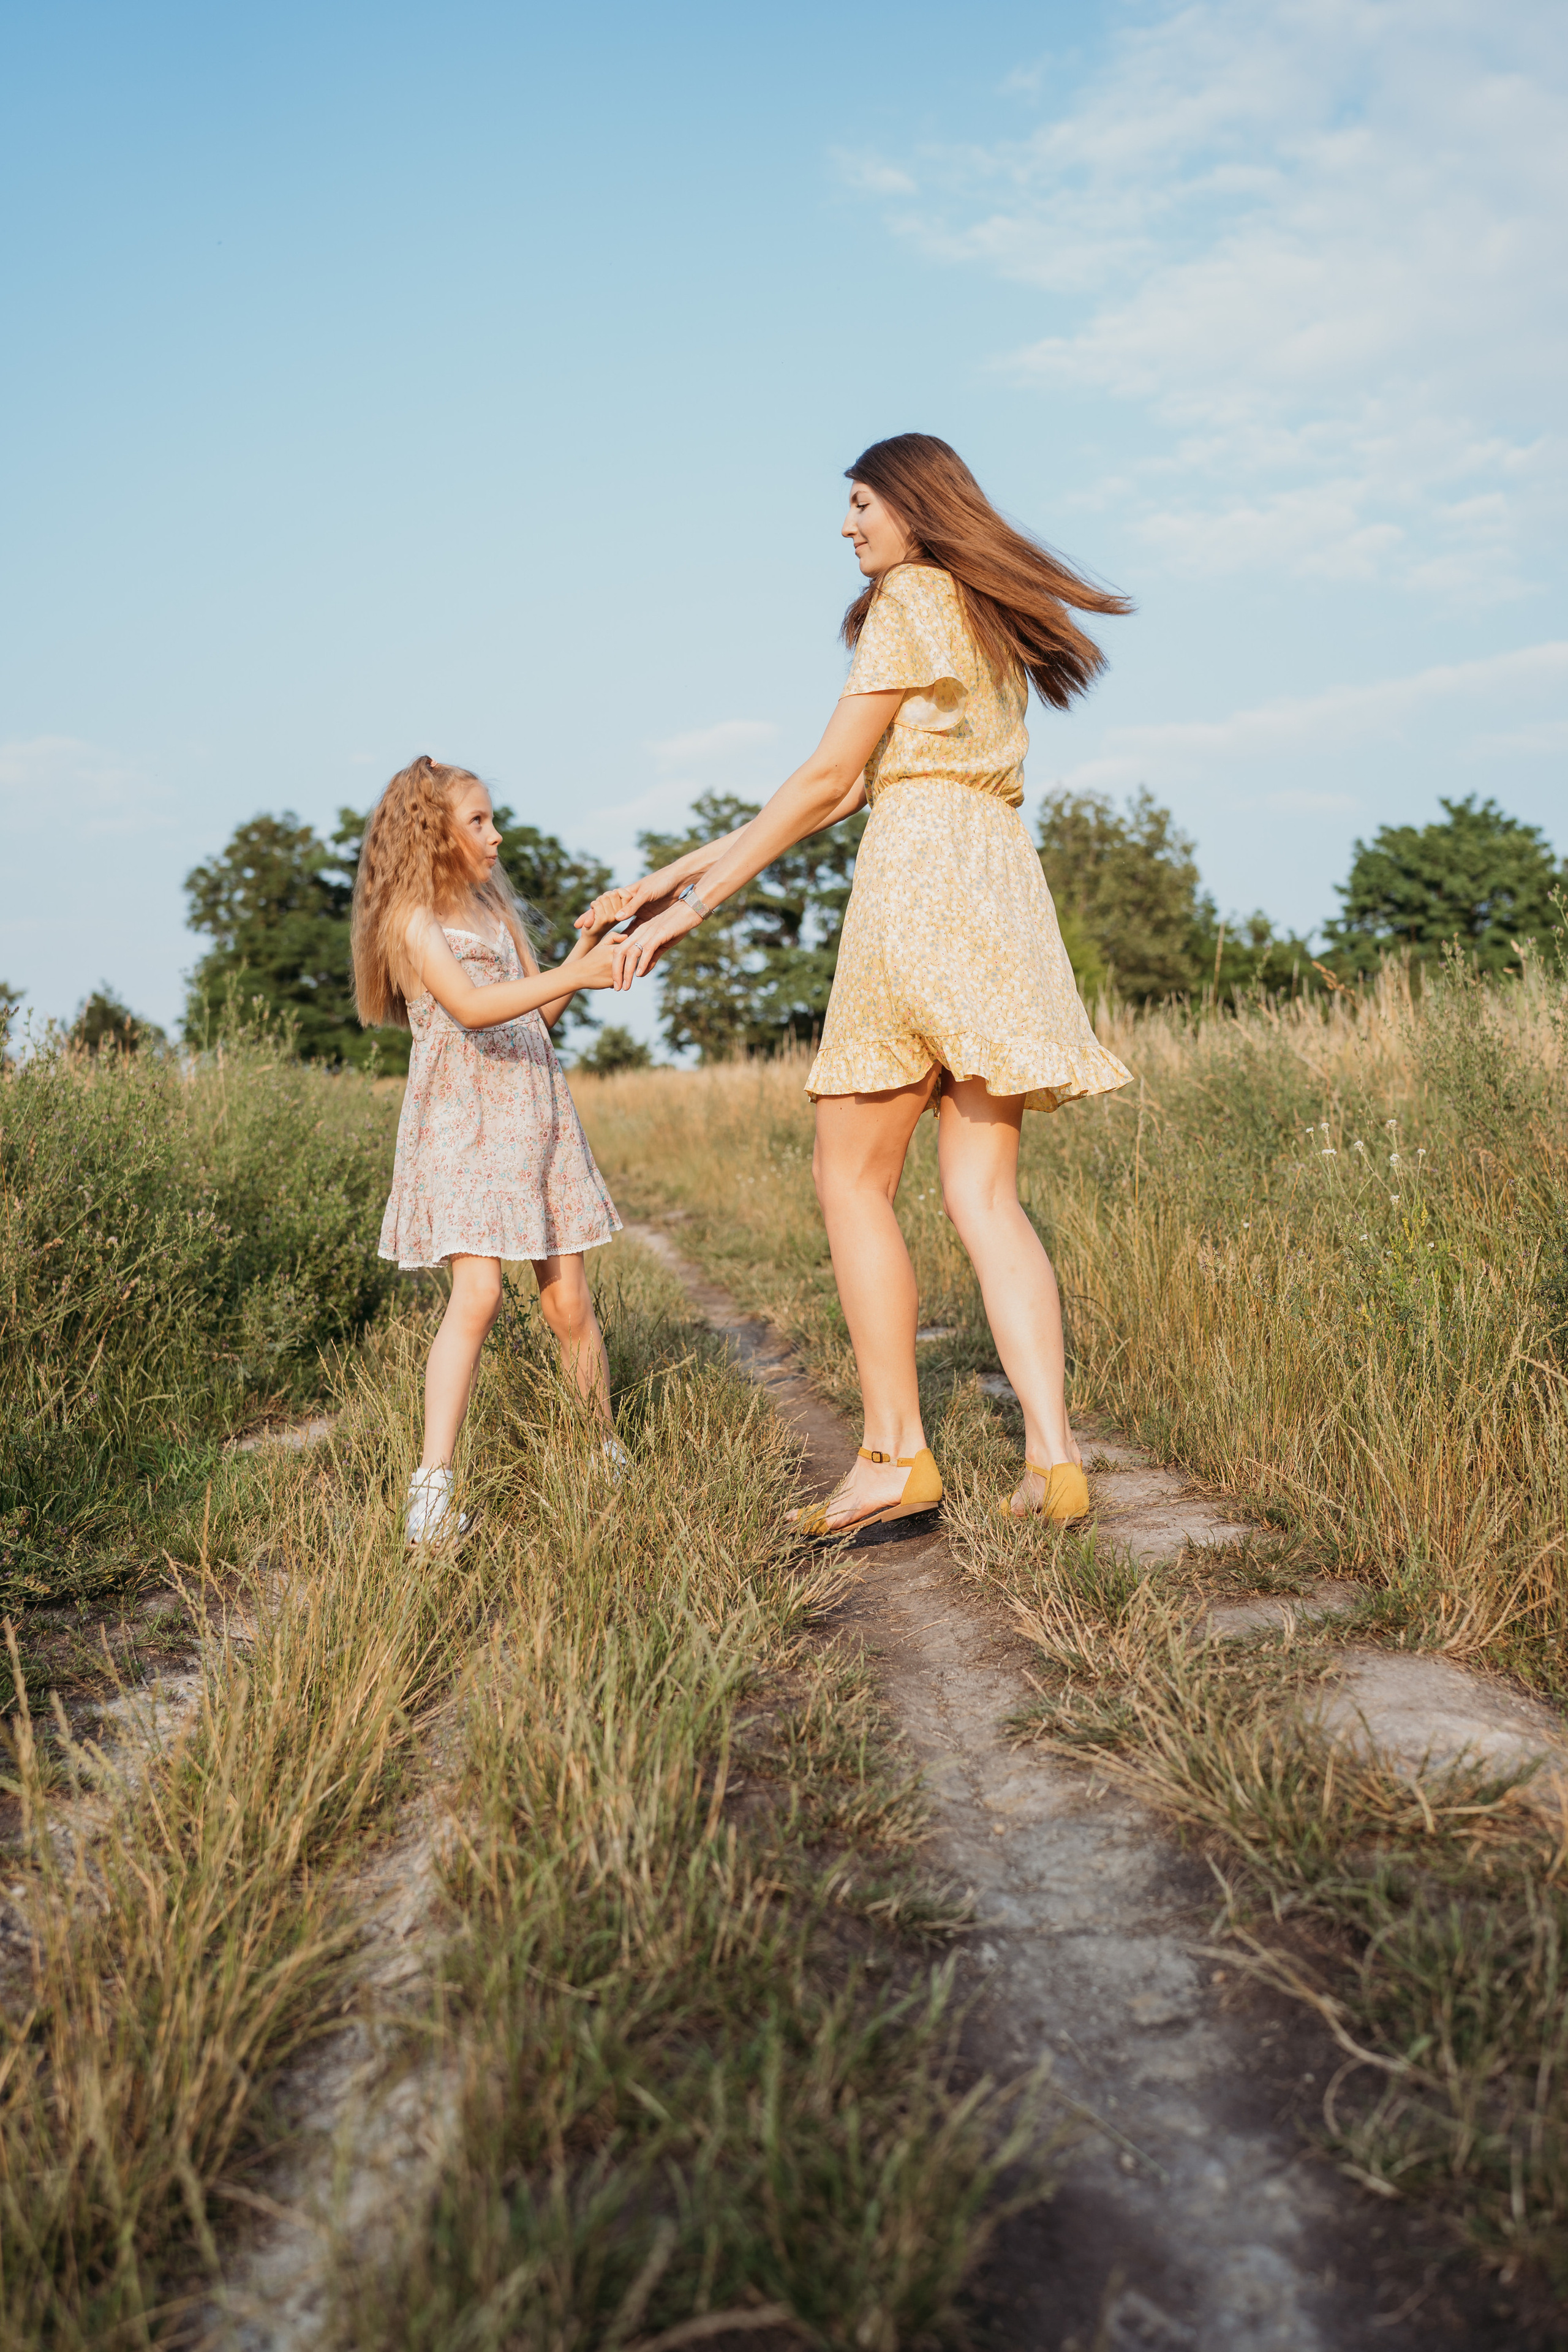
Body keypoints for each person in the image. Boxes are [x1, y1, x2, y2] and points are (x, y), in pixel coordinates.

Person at [584, 434, 1133, 1531]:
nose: (847, 526)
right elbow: (836, 794)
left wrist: (693, 913)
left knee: (852, 1182)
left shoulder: (911, 596)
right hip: (1002, 890)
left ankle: (893, 1455)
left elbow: (835, 778)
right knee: (984, 1195)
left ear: (916, 505)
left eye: (861, 503)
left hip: (921, 886)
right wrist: (673, 875)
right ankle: (1053, 1463)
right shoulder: (981, 615)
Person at [352, 754, 625, 1543]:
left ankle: (599, 1449)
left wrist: (590, 954)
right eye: (479, 821)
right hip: (463, 1127)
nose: (496, 836)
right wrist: (590, 975)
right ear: (433, 832)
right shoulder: (413, 921)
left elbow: (534, 1021)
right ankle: (431, 1494)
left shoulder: (498, 915)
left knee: (569, 1303)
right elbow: (471, 1009)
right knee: (478, 1297)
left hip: (534, 1114)